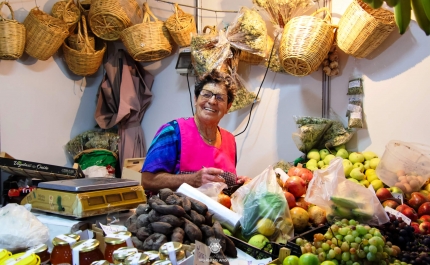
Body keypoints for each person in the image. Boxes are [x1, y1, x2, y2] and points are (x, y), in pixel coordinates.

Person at [141, 70, 249, 192]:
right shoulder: (172, 131)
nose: (212, 101)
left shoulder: (230, 140)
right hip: (178, 210)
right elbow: (147, 180)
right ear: (196, 100)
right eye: (206, 94)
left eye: (220, 97)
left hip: (218, 210)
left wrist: (240, 185)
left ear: (228, 107)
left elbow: (222, 187)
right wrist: (192, 179)